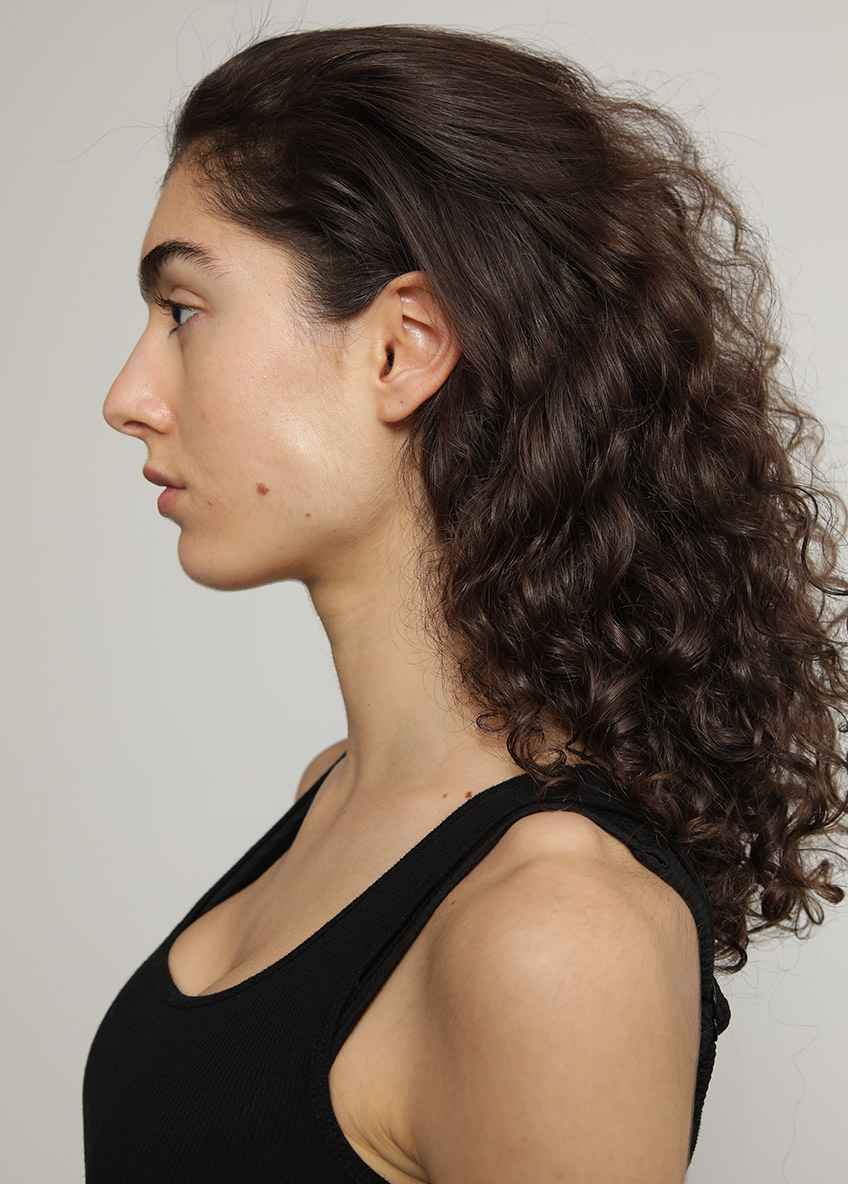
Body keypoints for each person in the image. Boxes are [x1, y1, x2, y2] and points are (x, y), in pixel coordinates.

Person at [83, 24, 848, 1184]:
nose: (127, 394)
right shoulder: (333, 795)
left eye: (183, 310)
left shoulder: (554, 927)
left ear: (402, 348)